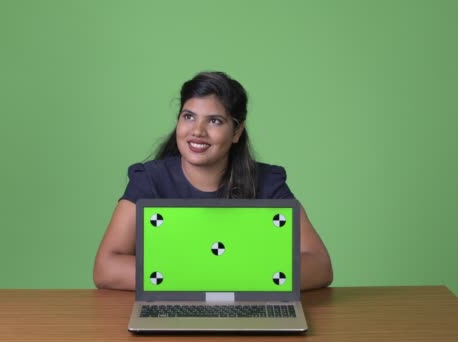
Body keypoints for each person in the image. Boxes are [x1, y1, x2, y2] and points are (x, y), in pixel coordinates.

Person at [93, 71, 333, 291]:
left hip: (246, 314)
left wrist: (217, 279)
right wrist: (213, 277)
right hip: (171, 313)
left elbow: (320, 265)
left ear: (237, 132)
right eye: (189, 116)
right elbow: (106, 268)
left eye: (215, 121)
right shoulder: (149, 180)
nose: (197, 131)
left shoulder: (268, 182)